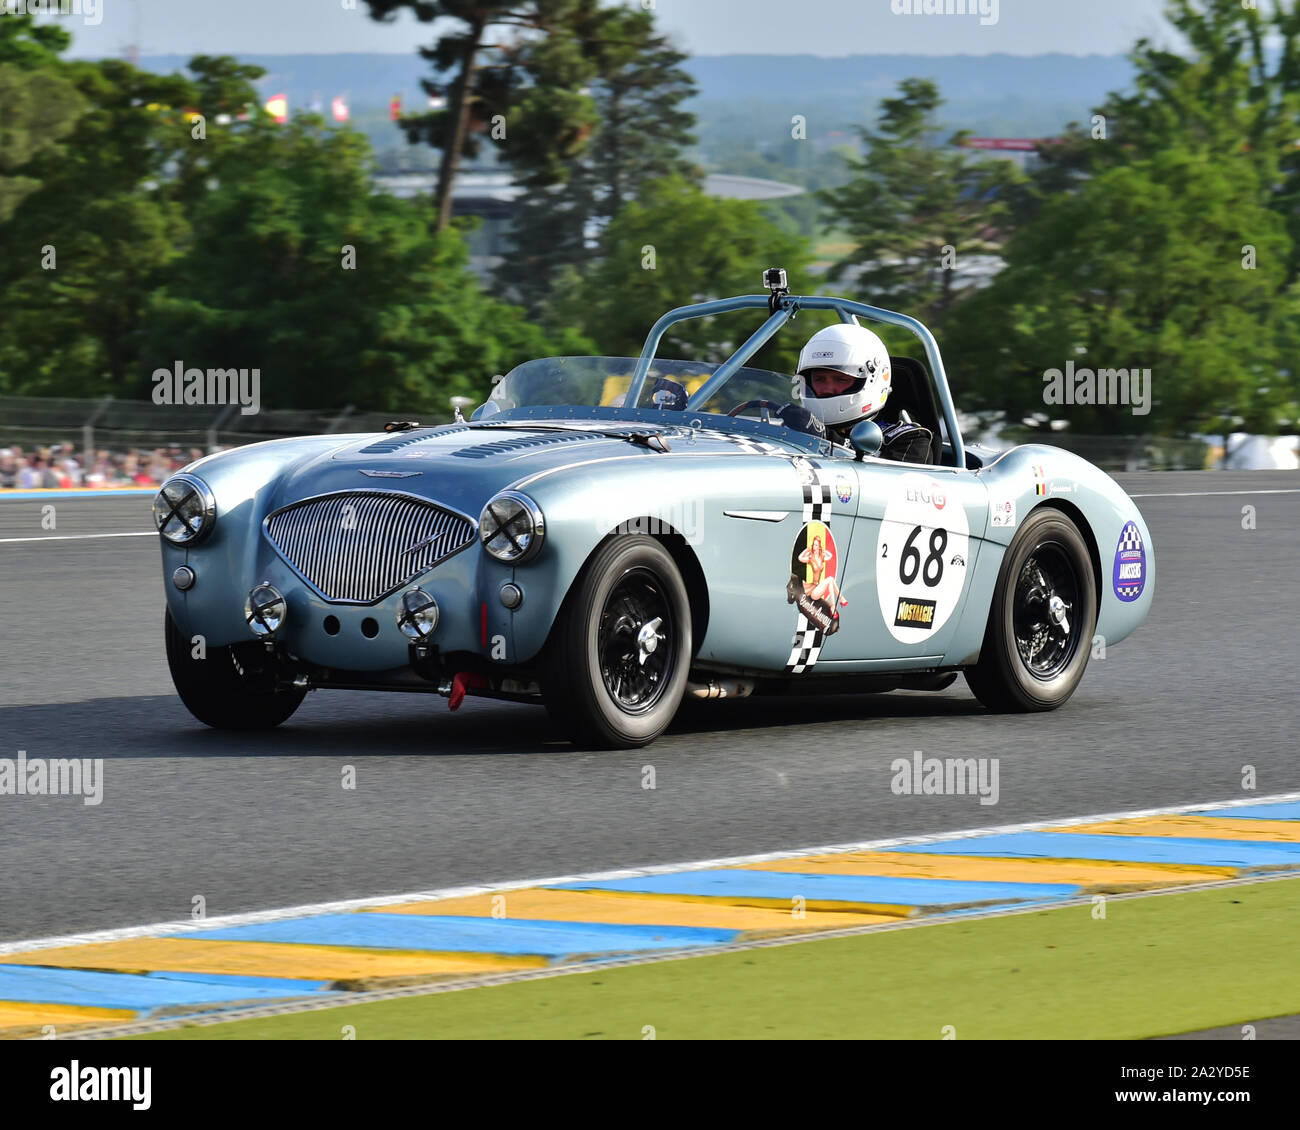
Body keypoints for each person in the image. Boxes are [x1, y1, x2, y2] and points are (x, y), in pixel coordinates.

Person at [795, 322, 933, 463]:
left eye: (841, 379)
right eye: (819, 379)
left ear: (873, 379)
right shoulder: (795, 427)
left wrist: (822, 435)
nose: (828, 388)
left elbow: (881, 480)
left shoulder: (909, 439)